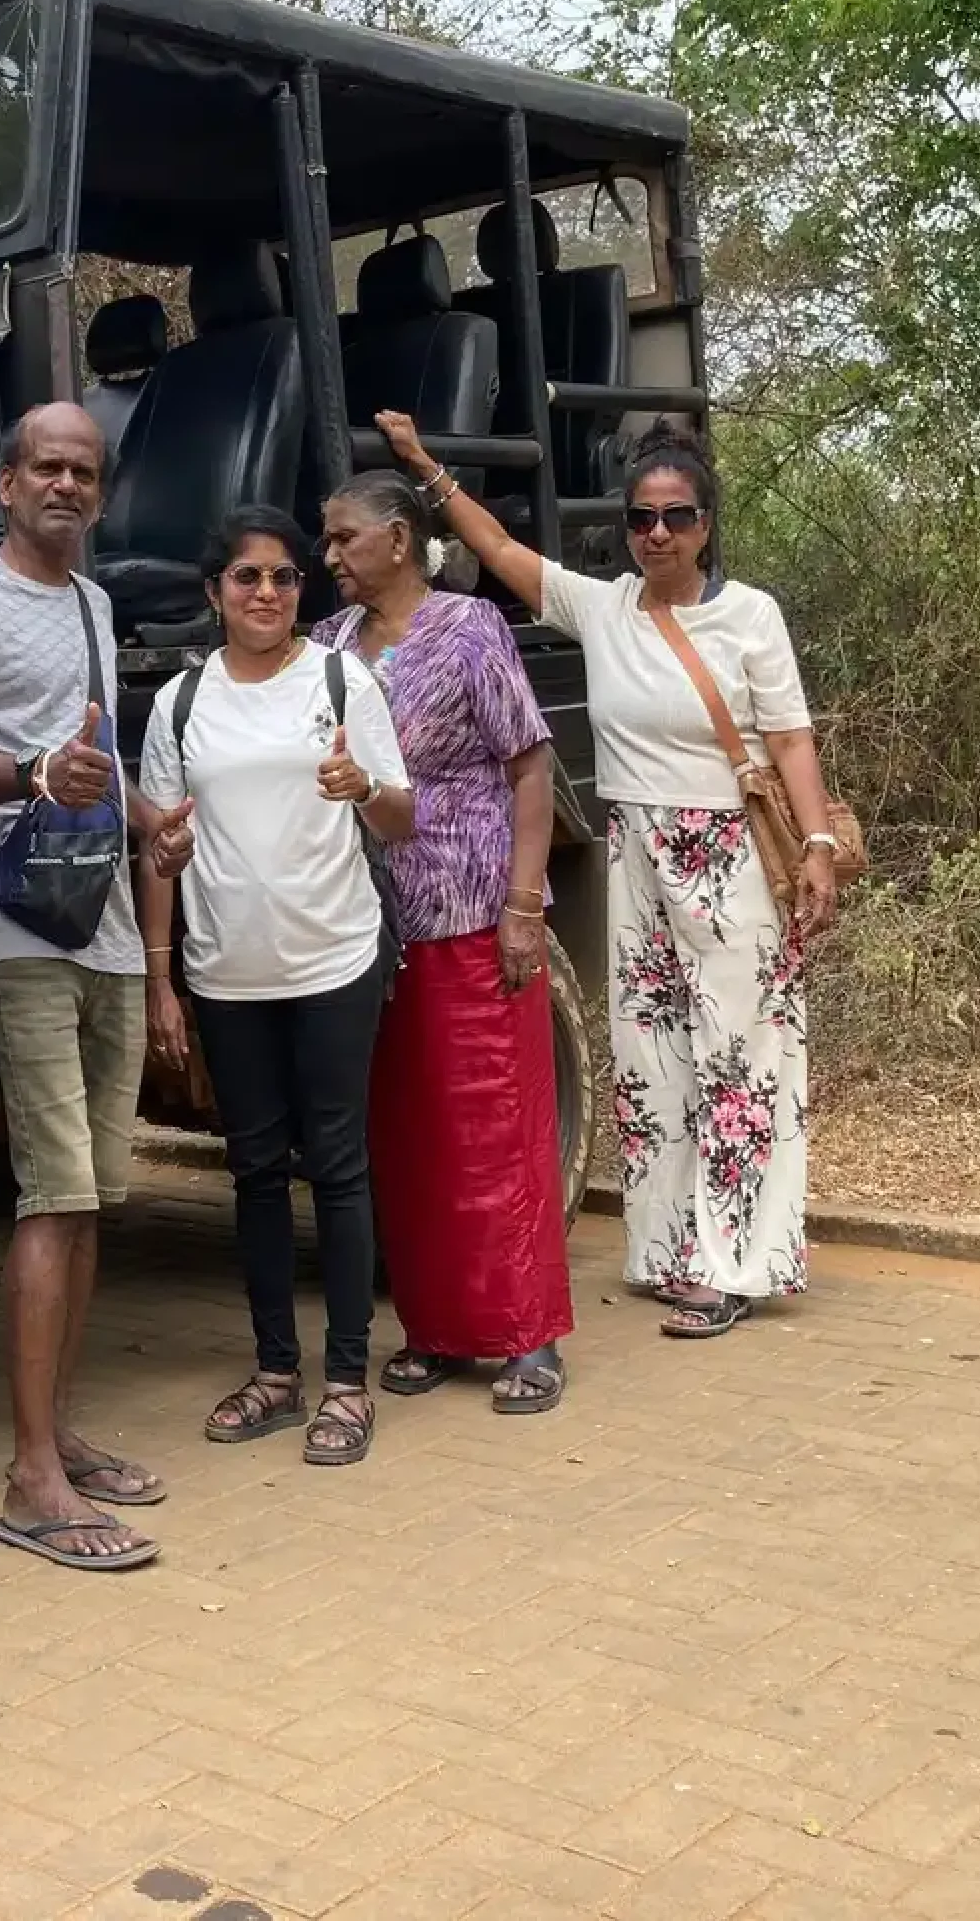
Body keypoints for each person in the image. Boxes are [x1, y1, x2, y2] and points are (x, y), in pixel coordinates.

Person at [378, 409, 838, 1338]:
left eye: (675, 517)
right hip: (636, 851)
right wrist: (426, 468)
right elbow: (501, 550)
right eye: (640, 519)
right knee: (651, 1056)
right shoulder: (605, 606)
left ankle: (737, 1263)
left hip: (729, 853)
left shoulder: (750, 617)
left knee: (741, 1056)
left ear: (706, 524)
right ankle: (670, 1249)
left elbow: (789, 738)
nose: (656, 534)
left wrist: (819, 846)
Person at [0, 402, 195, 1571]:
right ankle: (31, 1477)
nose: (67, 487)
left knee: (92, 1199)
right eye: (49, 467)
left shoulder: (93, 600)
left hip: (110, 927)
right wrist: (35, 770)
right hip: (20, 924)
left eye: (85, 471)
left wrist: (146, 820)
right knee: (50, 1195)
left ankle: (59, 1431)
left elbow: (98, 758)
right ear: (8, 478)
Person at [135, 508, 414, 1464]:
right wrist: (160, 978)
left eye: (285, 578)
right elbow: (161, 848)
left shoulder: (343, 680)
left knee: (336, 1166)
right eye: (247, 577)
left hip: (334, 958)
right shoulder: (179, 703)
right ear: (213, 591)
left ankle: (345, 1382)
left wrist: (361, 790)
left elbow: (402, 817)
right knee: (253, 1173)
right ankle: (274, 1375)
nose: (266, 594)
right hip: (226, 971)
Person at [315, 473, 573, 1414]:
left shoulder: (470, 628)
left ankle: (525, 1334)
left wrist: (524, 904)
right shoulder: (330, 644)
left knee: (493, 1125)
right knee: (409, 1132)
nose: (330, 556)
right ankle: (435, 1329)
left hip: (470, 909)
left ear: (397, 537)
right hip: (371, 925)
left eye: (344, 539)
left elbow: (530, 764)